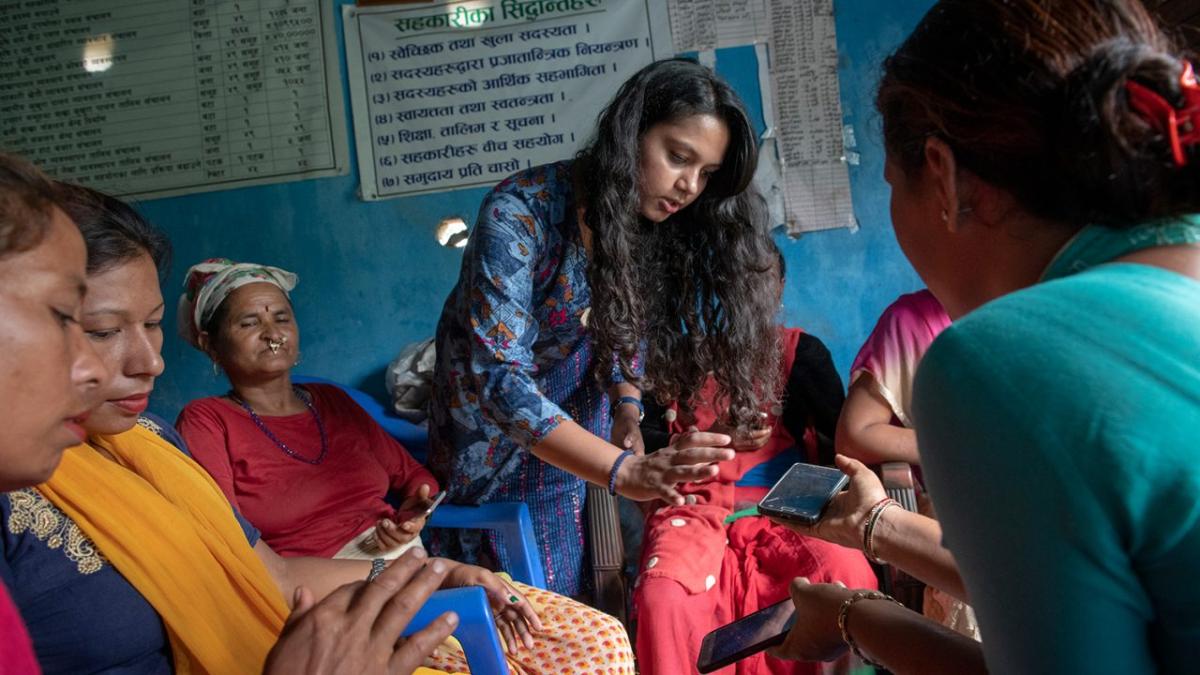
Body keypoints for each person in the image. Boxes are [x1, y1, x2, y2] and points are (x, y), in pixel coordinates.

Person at [771, 1, 1200, 673]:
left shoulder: (994, 362)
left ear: (942, 176)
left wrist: (858, 617)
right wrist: (882, 525)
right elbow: (1108, 582)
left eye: (891, 183)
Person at [0, 155, 456, 675]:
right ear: (212, 347)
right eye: (98, 330)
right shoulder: (205, 424)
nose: (150, 363)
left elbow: (272, 575)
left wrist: (420, 573)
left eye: (151, 325)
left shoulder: (154, 440)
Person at [176, 257, 636, 673]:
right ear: (211, 345)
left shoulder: (332, 402)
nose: (273, 333)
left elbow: (414, 478)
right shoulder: (207, 421)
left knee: (603, 642)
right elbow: (231, 544)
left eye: (281, 317)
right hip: (327, 592)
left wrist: (415, 512)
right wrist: (424, 569)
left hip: (409, 563)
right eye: (248, 323)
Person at [429, 57, 779, 596]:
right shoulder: (518, 214)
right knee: (509, 593)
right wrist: (623, 471)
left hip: (576, 429)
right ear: (629, 134)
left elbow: (624, 327)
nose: (689, 186)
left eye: (705, 174)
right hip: (489, 430)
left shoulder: (643, 223)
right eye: (678, 157)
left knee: (575, 579)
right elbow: (500, 382)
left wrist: (626, 406)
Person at [631, 246, 876, 675]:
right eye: (733, 279)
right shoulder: (672, 361)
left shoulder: (799, 354)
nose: (747, 291)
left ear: (779, 287)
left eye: (760, 278)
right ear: (716, 290)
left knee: (845, 573)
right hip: (691, 510)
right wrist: (717, 437)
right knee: (664, 596)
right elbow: (641, 452)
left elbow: (841, 443)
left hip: (788, 510)